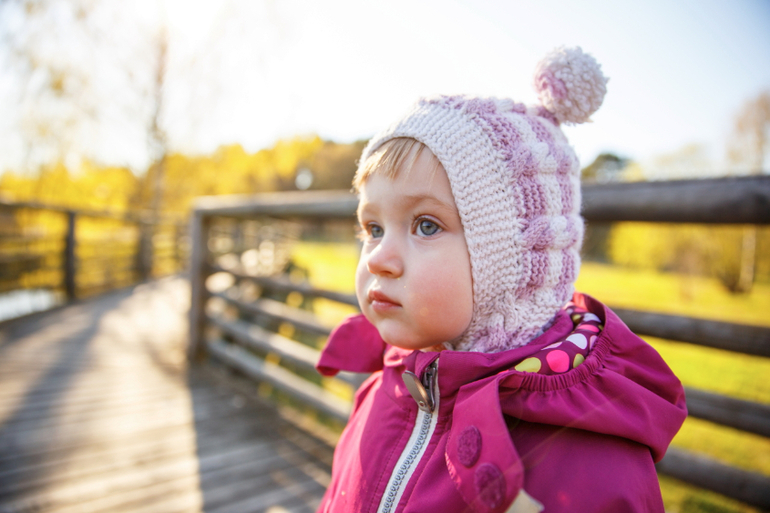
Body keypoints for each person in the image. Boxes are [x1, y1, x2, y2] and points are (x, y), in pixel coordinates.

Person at [315, 47, 687, 513]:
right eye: (372, 228)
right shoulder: (389, 387)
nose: (379, 259)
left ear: (509, 264)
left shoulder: (586, 463)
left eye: (426, 225)